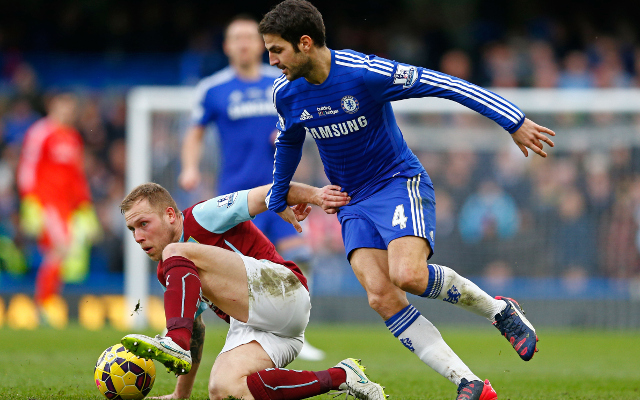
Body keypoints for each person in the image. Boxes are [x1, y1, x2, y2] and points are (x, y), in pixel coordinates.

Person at [258, 1, 556, 399]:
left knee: (409, 275)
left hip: (397, 182)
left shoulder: (366, 73)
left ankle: (500, 311)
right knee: (381, 296)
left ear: (306, 43)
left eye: (276, 49)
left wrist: (513, 120)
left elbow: (445, 83)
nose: (271, 59)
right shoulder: (285, 93)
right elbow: (290, 142)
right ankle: (470, 383)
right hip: (351, 201)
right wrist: (279, 197)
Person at [119, 181, 385, 400]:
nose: (138, 237)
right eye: (132, 229)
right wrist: (180, 395)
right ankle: (342, 375)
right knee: (223, 389)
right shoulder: (173, 269)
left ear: (169, 215)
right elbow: (196, 329)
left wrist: (316, 195)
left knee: (174, 252)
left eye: (144, 224)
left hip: (284, 290)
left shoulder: (202, 217)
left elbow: (268, 193)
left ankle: (175, 340)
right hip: (266, 327)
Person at [178, 14, 325, 361]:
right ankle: (242, 332)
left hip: (278, 190)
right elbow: (195, 132)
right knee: (243, 269)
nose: (244, 43)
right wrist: (189, 167)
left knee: (302, 256)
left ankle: (297, 332)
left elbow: (303, 119)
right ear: (227, 47)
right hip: (239, 199)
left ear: (260, 44)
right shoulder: (214, 89)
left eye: (250, 37)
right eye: (237, 38)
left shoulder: (281, 81)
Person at [16, 93, 101, 327]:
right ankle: (43, 305)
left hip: (68, 207)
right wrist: (30, 201)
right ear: (52, 105)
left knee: (65, 257)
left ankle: (47, 302)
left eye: (71, 108)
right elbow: (28, 167)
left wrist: (85, 207)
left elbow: (77, 176)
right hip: (47, 203)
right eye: (64, 106)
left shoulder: (73, 137)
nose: (68, 112)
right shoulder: (41, 132)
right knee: (59, 249)